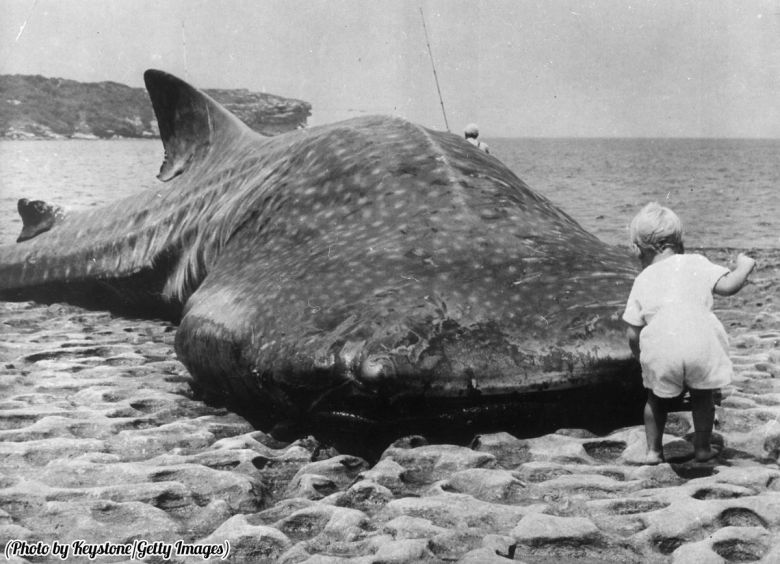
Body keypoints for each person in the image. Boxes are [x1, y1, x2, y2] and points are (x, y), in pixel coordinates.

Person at [622, 202, 756, 465]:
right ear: (679, 243)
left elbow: (632, 332)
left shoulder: (643, 279)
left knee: (656, 399)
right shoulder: (698, 262)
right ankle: (703, 448)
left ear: (638, 250)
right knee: (703, 396)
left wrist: (641, 357)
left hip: (663, 348)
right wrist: (744, 266)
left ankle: (653, 452)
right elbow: (728, 286)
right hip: (701, 345)